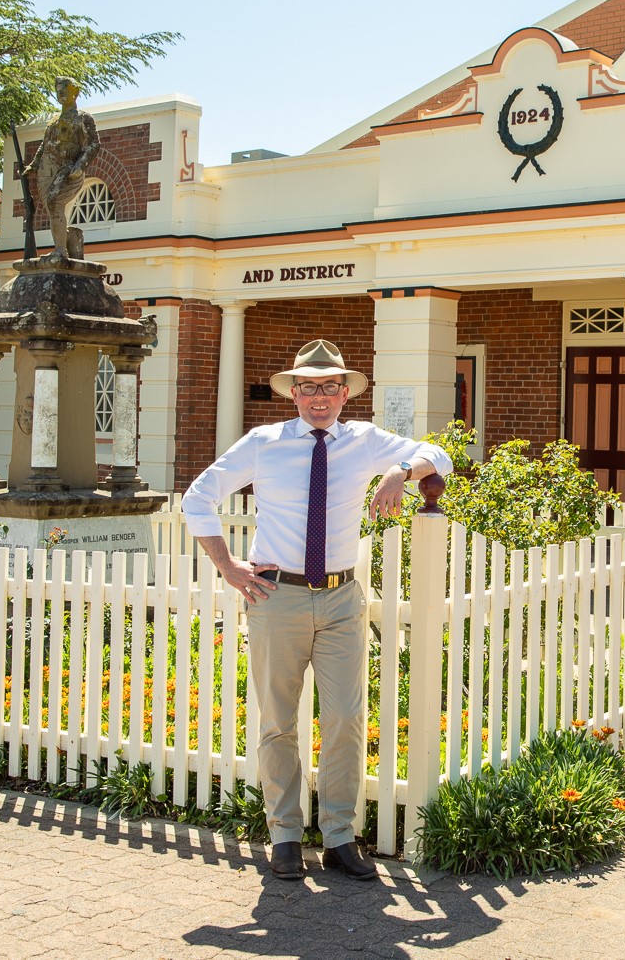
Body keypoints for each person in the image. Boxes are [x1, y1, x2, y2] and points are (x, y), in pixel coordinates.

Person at [181, 339, 452, 882]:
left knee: (347, 719)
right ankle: (283, 836)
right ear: (295, 394)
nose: (320, 396)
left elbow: (438, 454)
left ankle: (339, 837)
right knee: (278, 722)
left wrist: (399, 470)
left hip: (339, 598)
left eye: (331, 386)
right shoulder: (264, 443)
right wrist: (229, 567)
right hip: (275, 596)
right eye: (309, 387)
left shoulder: (363, 441)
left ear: (345, 394)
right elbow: (197, 497)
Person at [19, 76, 100, 262]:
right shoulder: (54, 121)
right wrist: (34, 165)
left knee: (55, 202)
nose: (61, 93)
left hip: (68, 170)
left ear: (76, 91)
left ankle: (61, 251)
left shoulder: (83, 118)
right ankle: (68, 239)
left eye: (65, 89)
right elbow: (45, 144)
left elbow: (94, 144)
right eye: (58, 90)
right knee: (51, 207)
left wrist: (80, 165)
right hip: (47, 171)